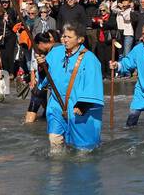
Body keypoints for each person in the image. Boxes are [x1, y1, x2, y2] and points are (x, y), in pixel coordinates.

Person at [40, 22, 104, 152]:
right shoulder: (55, 53)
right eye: (63, 36)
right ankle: (56, 169)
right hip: (56, 103)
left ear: (80, 39)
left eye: (68, 37)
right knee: (54, 138)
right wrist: (42, 68)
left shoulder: (90, 59)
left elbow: (93, 83)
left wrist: (84, 104)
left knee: (83, 148)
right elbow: (47, 76)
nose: (64, 39)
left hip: (78, 104)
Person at [24, 30, 59, 124]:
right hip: (44, 85)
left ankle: (29, 122)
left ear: (41, 43)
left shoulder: (55, 52)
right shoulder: (54, 50)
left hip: (54, 87)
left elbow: (54, 71)